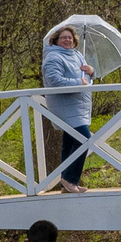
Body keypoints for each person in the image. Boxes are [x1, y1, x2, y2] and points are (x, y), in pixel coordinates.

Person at [42, 25, 94, 191]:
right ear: (56, 40)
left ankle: (67, 182)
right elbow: (54, 81)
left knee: (70, 141)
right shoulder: (53, 57)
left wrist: (92, 71)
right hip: (63, 105)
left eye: (70, 38)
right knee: (84, 138)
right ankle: (69, 179)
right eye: (63, 37)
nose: (67, 40)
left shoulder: (78, 55)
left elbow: (86, 77)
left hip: (79, 104)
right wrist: (78, 83)